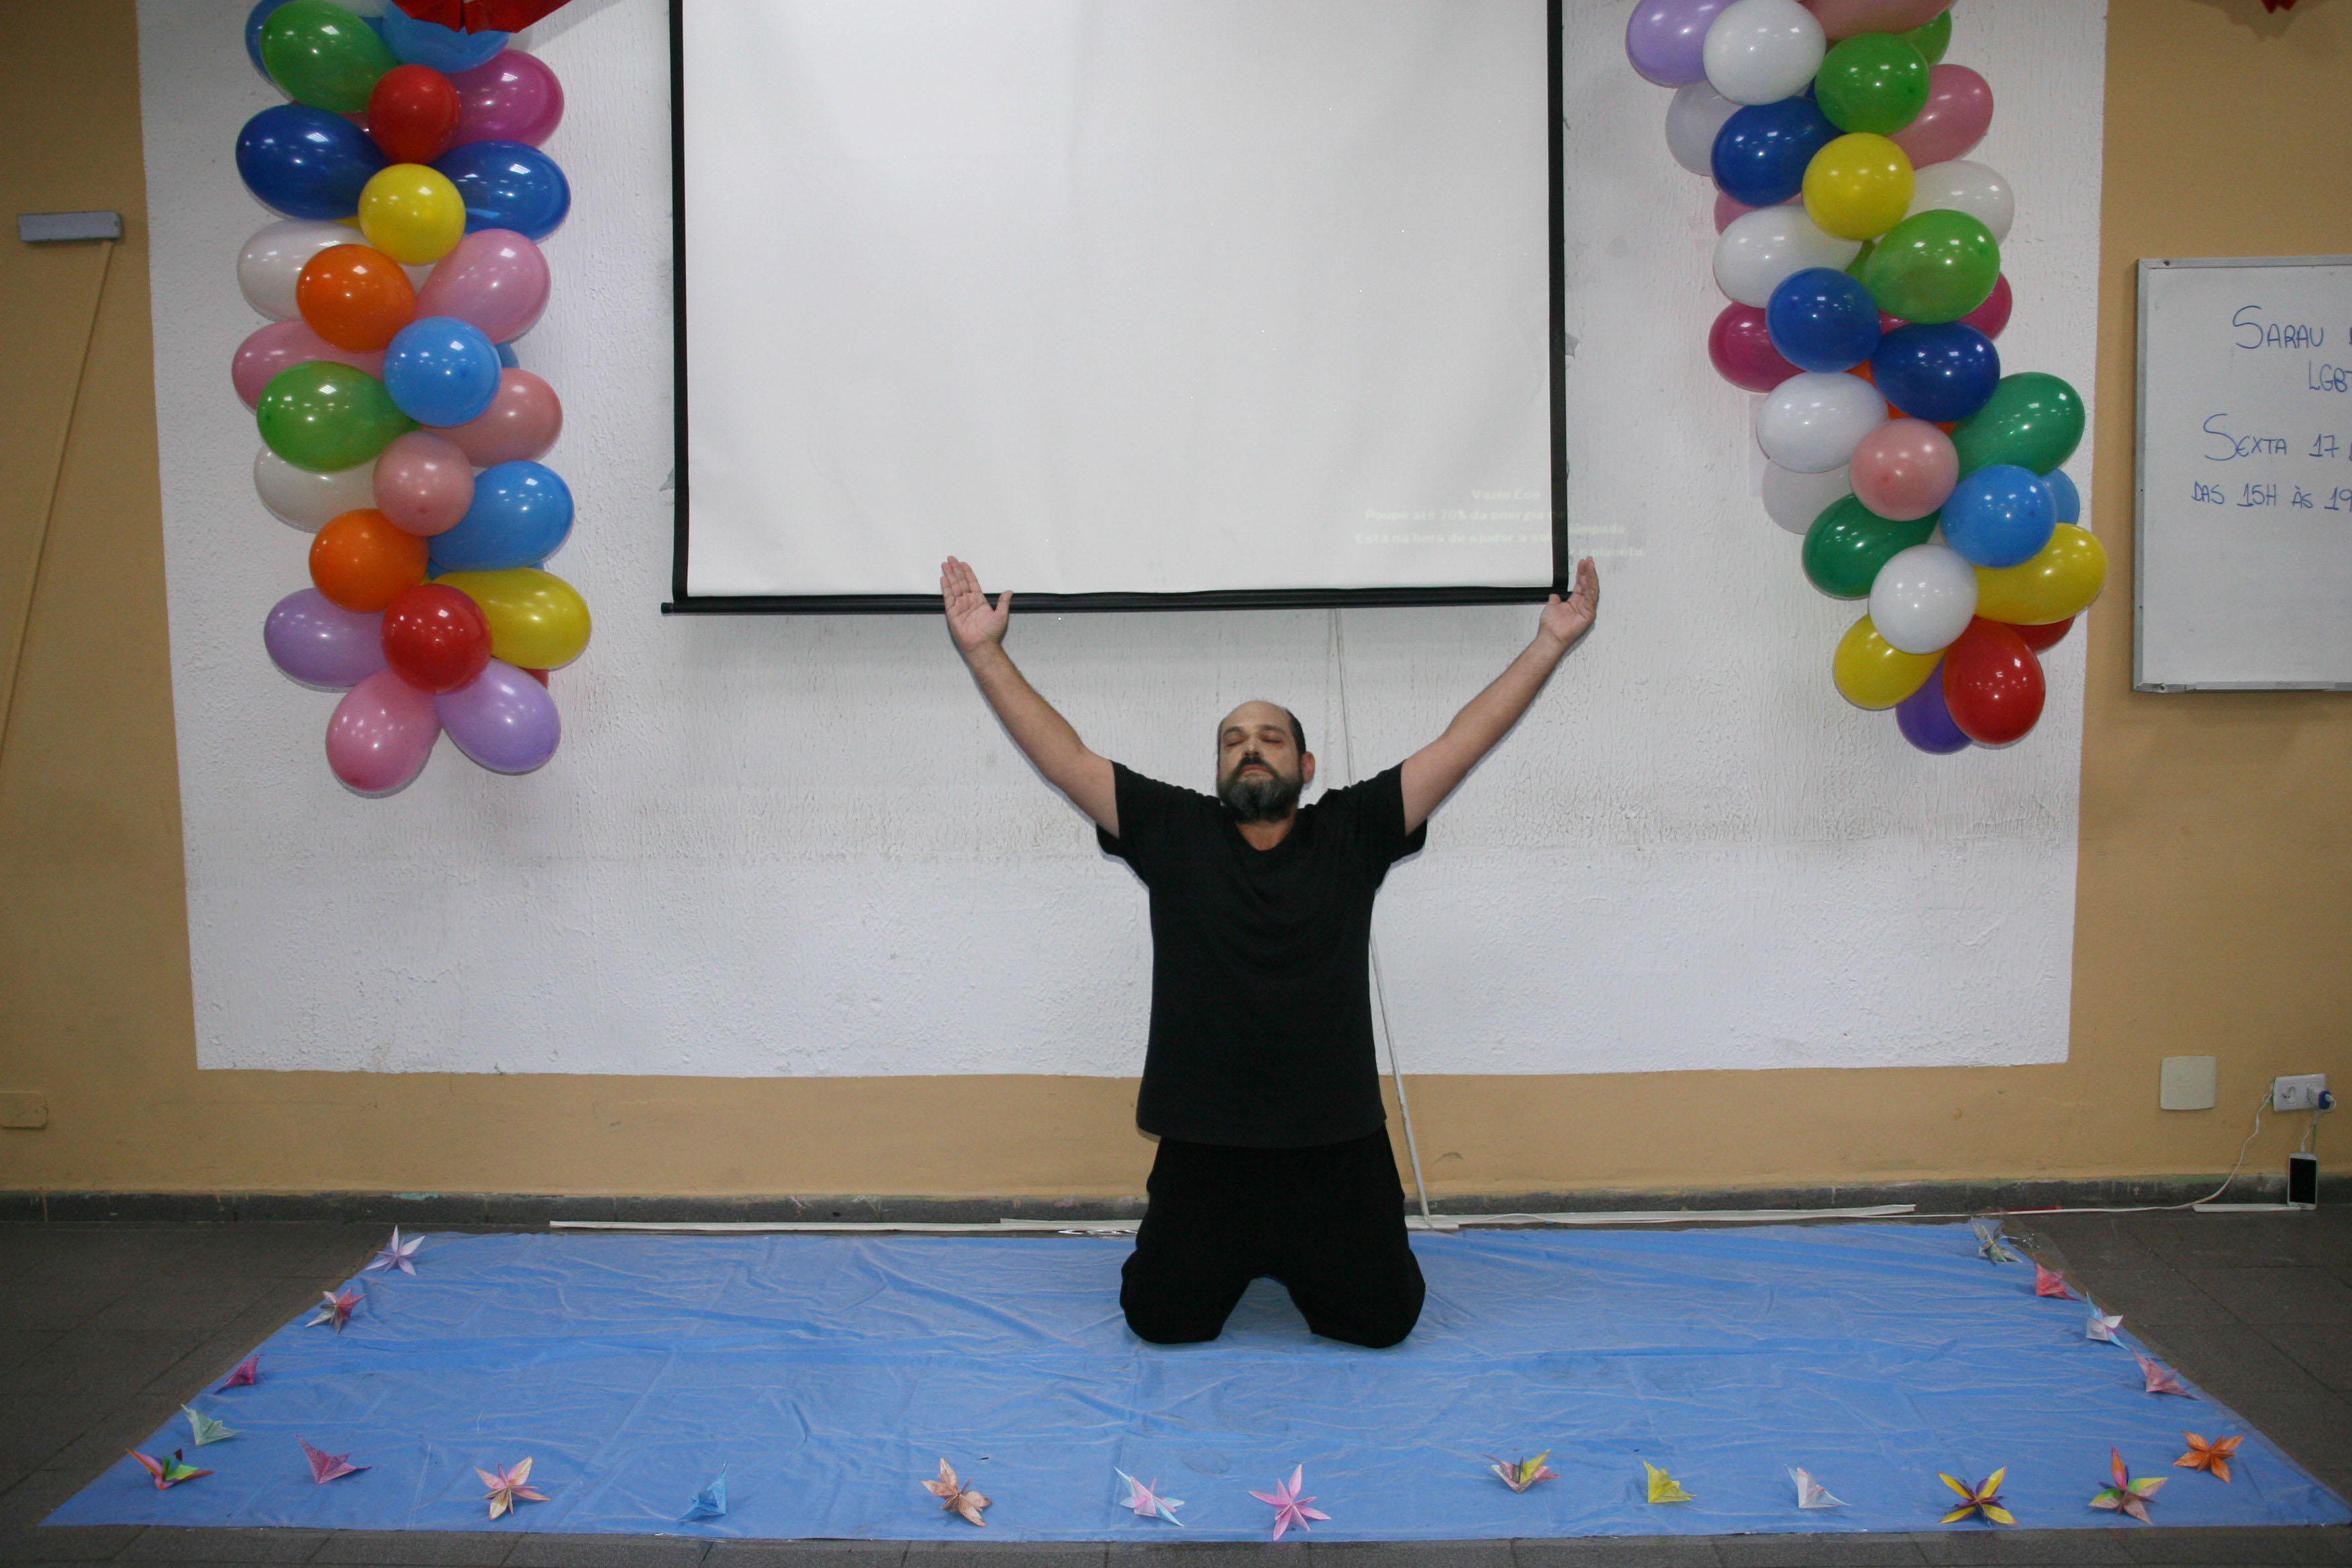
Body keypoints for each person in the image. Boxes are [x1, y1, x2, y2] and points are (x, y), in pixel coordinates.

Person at [939, 554, 1601, 1348]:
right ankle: (1239, 1255)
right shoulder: (1175, 831)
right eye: (1234, 741)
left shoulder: (1352, 831)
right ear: (1218, 769)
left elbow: (1460, 742)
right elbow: (1067, 758)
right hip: (1205, 1150)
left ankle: (1289, 1255)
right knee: (1160, 1321)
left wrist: (1548, 643)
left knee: (1385, 1322)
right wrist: (985, 651)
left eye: (1271, 738)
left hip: (1336, 1149)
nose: (1251, 750)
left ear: (1305, 765)